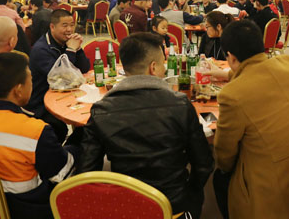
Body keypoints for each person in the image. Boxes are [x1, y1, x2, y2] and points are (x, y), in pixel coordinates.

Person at [78, 33, 214, 219]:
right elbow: (204, 164)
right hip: (174, 208)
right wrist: (190, 194)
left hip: (126, 208)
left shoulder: (101, 110)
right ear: (153, 67)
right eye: (163, 63)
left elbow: (86, 173)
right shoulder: (180, 105)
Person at [213, 20, 289, 219]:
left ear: (231, 56)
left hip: (275, 187)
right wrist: (226, 73)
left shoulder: (232, 95)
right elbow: (257, 71)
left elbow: (225, 154)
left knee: (220, 178)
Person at [0, 52, 79, 219]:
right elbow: (62, 173)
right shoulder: (35, 131)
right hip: (28, 209)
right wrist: (77, 146)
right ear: (19, 90)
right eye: (30, 80)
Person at [28, 9, 90, 141]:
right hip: (42, 103)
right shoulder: (41, 49)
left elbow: (85, 69)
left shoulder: (66, 42)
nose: (69, 29)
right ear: (52, 27)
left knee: (91, 116)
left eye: (72, 25)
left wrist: (78, 49)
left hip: (66, 94)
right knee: (61, 128)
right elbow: (63, 77)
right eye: (64, 25)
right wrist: (71, 50)